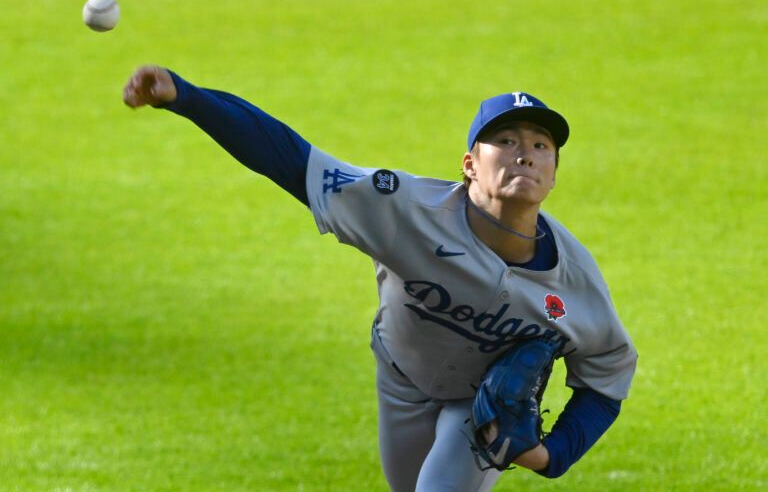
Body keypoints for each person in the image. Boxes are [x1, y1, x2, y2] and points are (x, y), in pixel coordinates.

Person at [123, 65, 638, 491]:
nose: (524, 152)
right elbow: (287, 157)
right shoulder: (403, 209)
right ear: (469, 166)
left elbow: (607, 380)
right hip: (400, 380)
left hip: (477, 408)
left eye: (541, 145)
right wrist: (185, 96)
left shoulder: (574, 285)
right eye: (504, 140)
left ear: (552, 173)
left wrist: (551, 455)